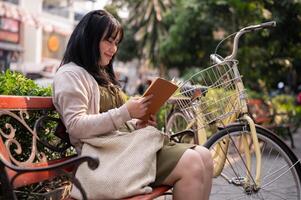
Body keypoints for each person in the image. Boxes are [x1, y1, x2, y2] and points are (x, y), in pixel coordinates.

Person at [53, 9, 213, 200]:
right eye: (108, 41)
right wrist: (125, 112)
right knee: (193, 163)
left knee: (205, 156)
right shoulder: (70, 75)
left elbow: (115, 123)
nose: (113, 49)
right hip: (105, 160)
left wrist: (137, 123)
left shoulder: (100, 74)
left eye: (116, 43)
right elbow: (76, 127)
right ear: (89, 39)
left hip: (124, 149)